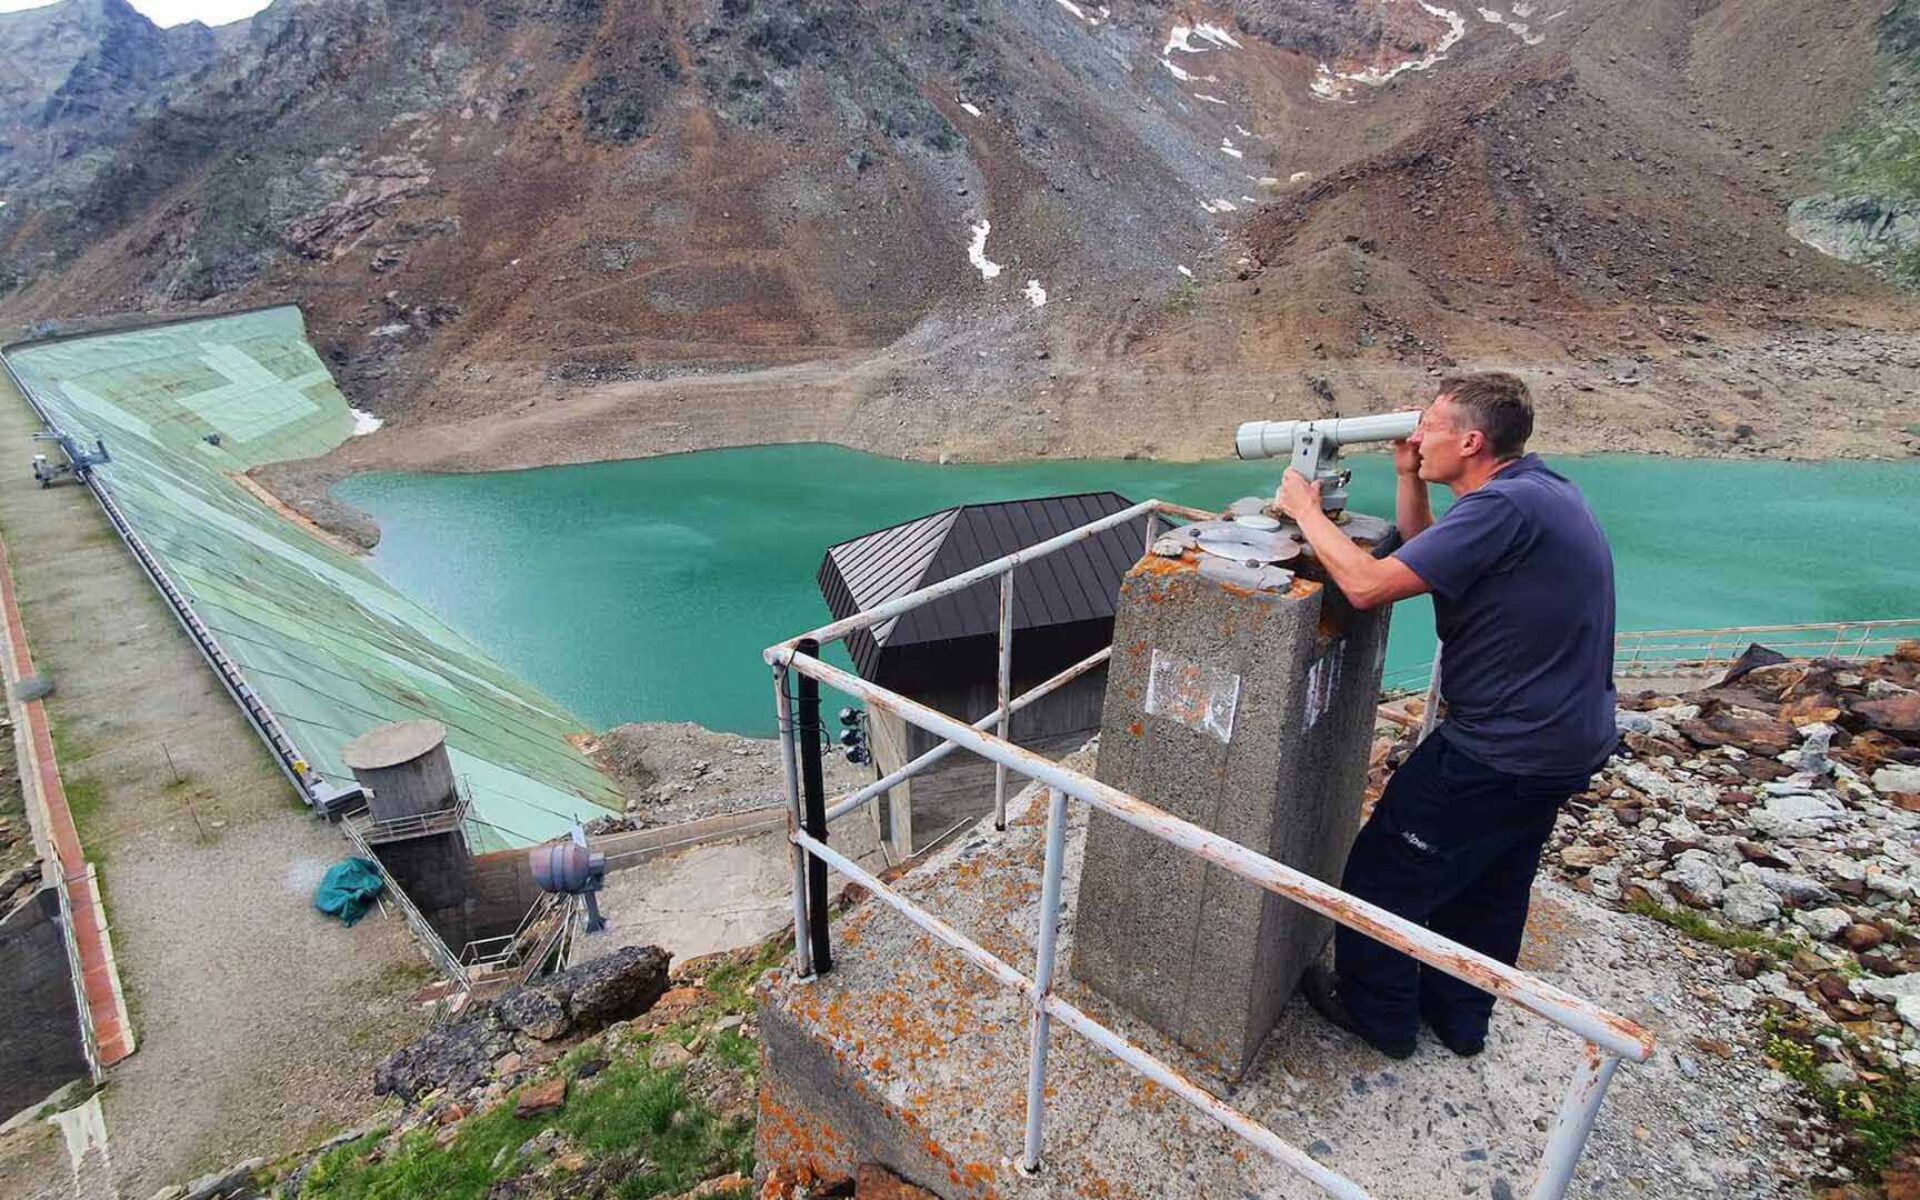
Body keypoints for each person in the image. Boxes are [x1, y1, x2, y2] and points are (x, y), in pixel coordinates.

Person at [1271, 372, 1618, 1059]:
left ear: (1472, 439)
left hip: (1501, 746)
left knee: (1384, 872)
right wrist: (1413, 476)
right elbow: (1430, 550)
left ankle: (1379, 1016)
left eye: (1429, 425)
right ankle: (1461, 1020)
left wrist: (1305, 512)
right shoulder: (1532, 491)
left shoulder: (1503, 510)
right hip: (1564, 741)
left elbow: (1370, 586)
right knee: (1489, 888)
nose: (1415, 432)